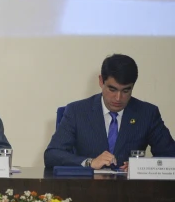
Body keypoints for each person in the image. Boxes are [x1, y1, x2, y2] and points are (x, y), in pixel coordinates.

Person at [44, 54, 175, 170]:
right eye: (112, 89)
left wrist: (141, 167)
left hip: (132, 191)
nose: (118, 98)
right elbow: (52, 155)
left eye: (125, 91)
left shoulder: (147, 113)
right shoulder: (77, 111)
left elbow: (171, 155)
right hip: (86, 189)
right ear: (101, 81)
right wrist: (90, 162)